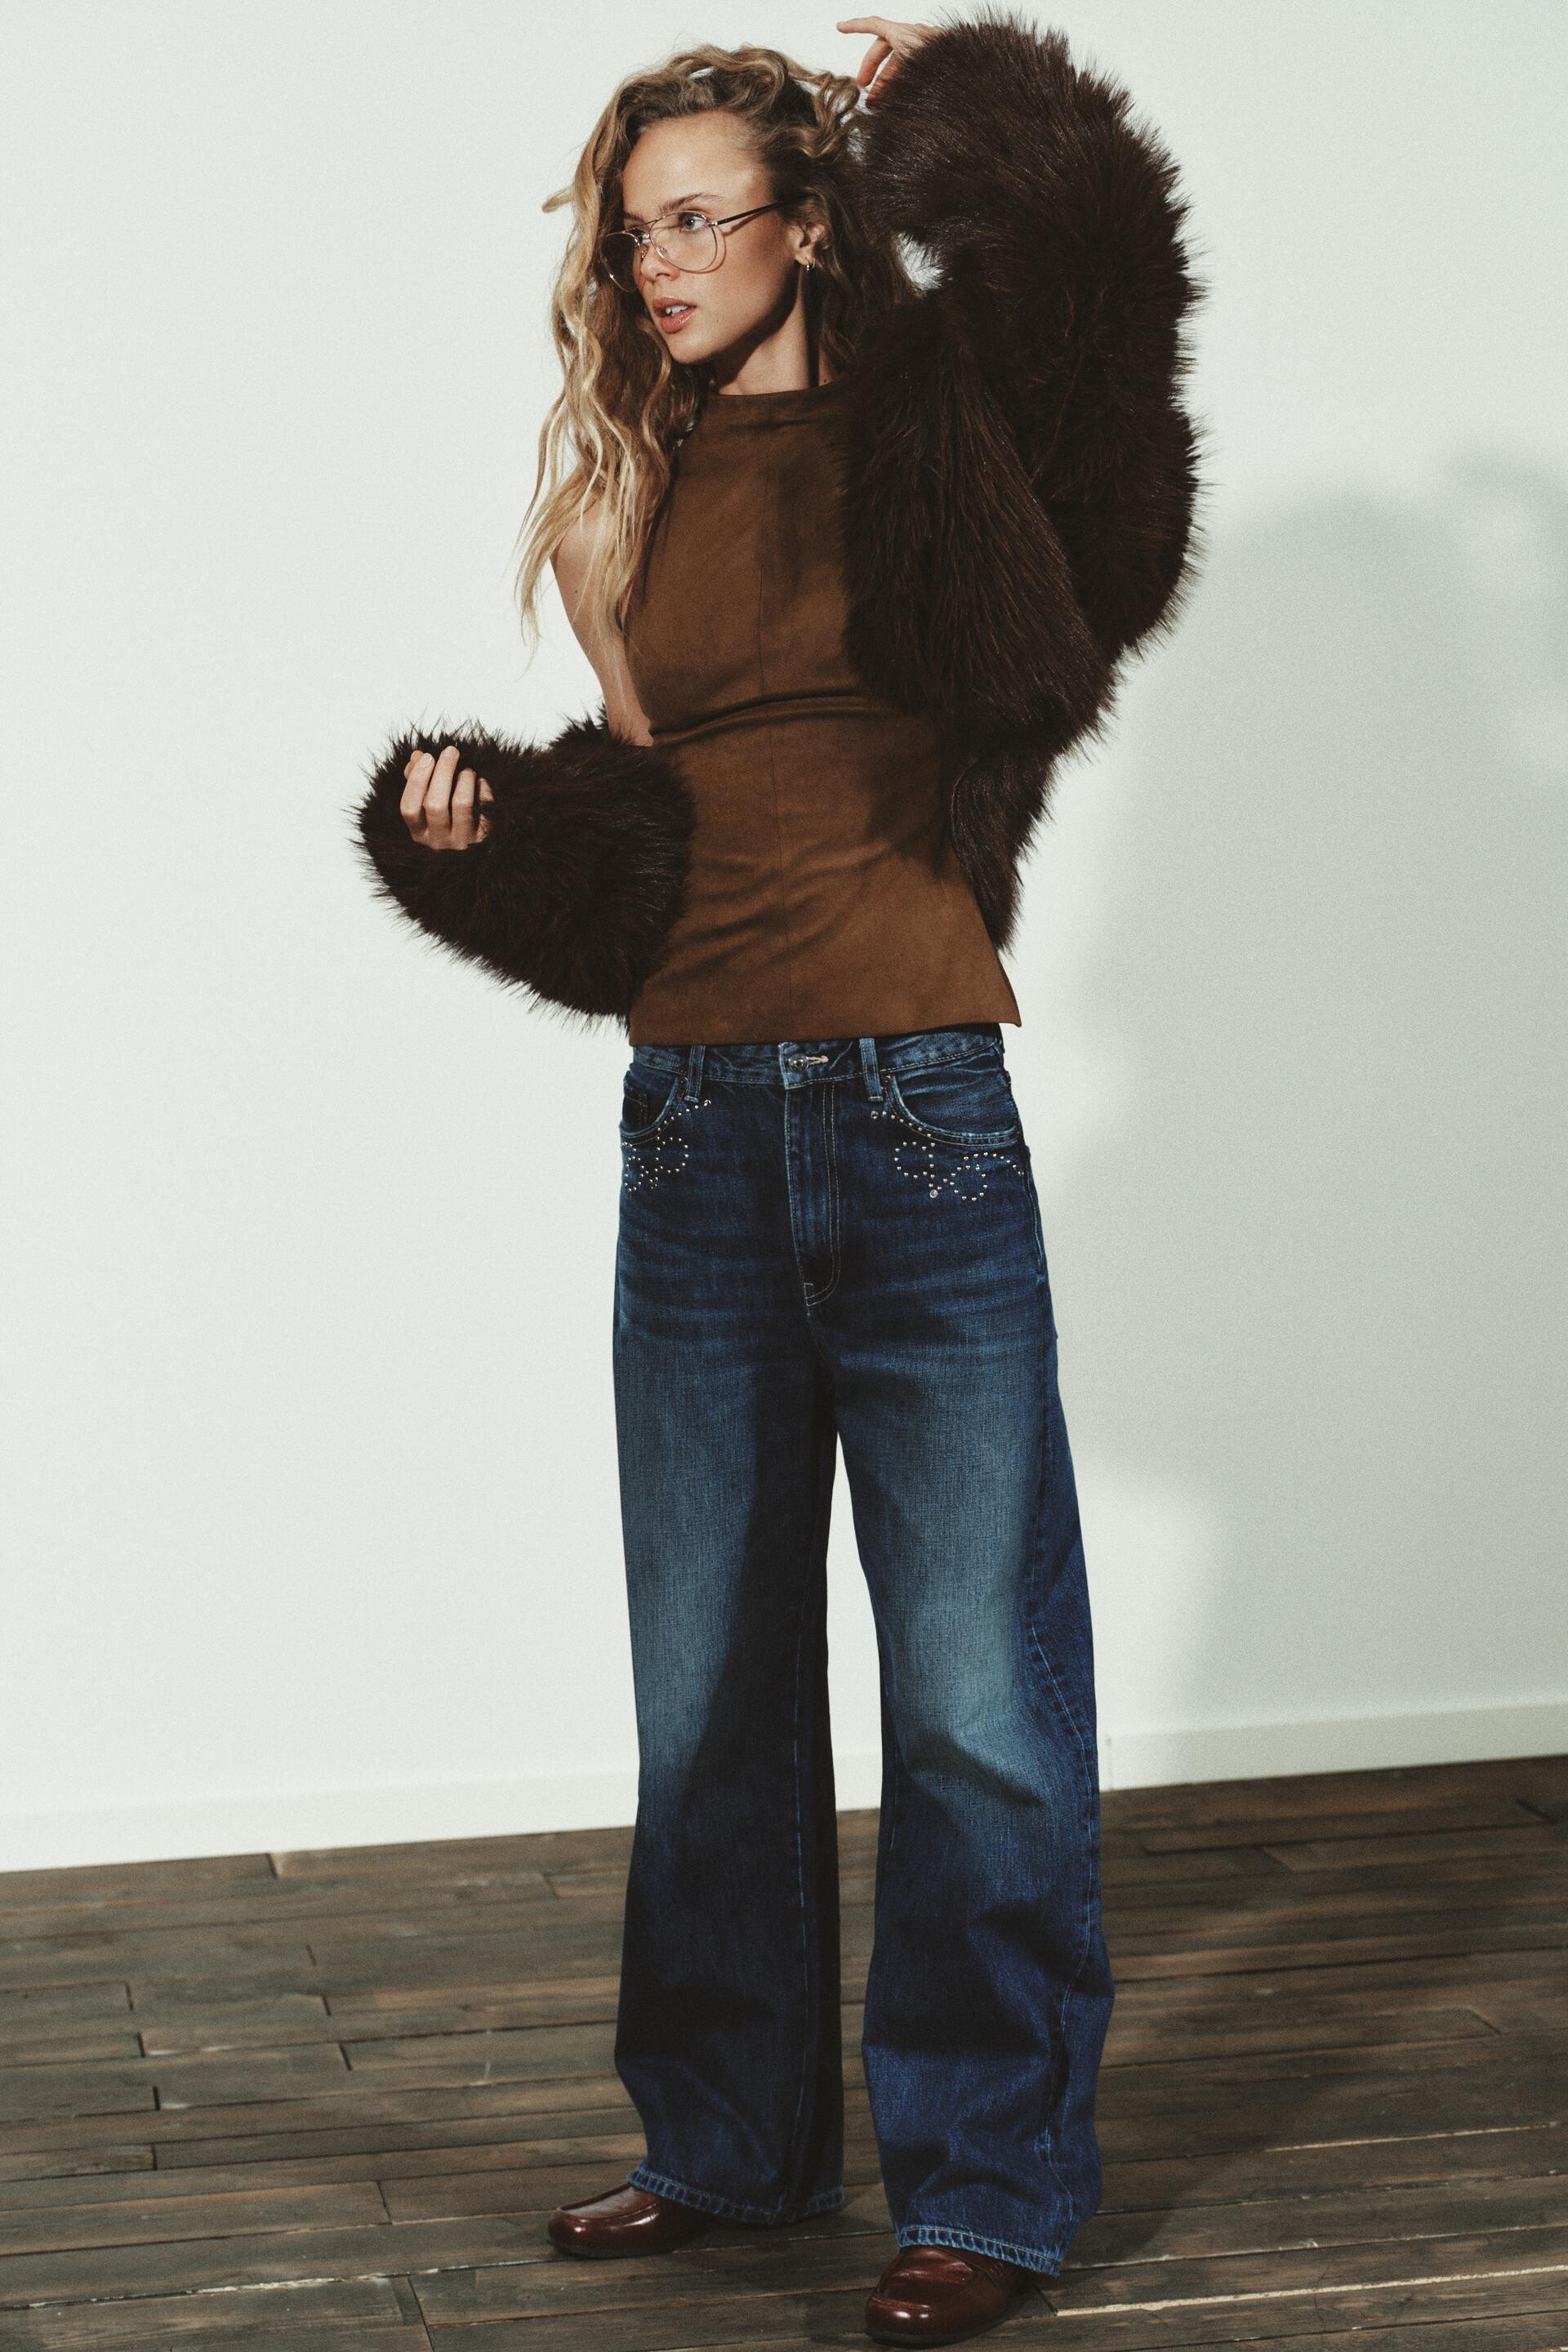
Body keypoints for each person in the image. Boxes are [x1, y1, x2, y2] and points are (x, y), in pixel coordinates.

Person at [353, 9, 1204, 2341]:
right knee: (710, 1686)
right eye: (635, 233)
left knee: (978, 1697)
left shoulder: (958, 443)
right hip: (697, 1131)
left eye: (703, 216)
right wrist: (486, 841)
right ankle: (727, 2144)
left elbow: (1109, 343)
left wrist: (989, 112)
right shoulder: (621, 501)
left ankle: (990, 2186)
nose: (661, 264)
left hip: (922, 1109)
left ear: (811, 224)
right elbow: (650, 849)